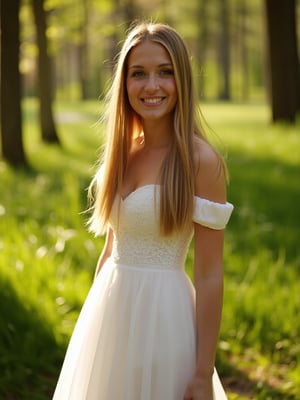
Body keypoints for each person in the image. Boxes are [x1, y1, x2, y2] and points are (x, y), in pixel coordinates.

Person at [53, 21, 233, 400]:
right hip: (112, 310)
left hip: (162, 317)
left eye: (164, 72)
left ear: (182, 79)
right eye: (139, 74)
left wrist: (203, 372)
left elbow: (209, 273)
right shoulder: (125, 152)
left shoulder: (201, 162)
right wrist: (93, 327)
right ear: (125, 83)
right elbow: (111, 248)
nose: (151, 86)